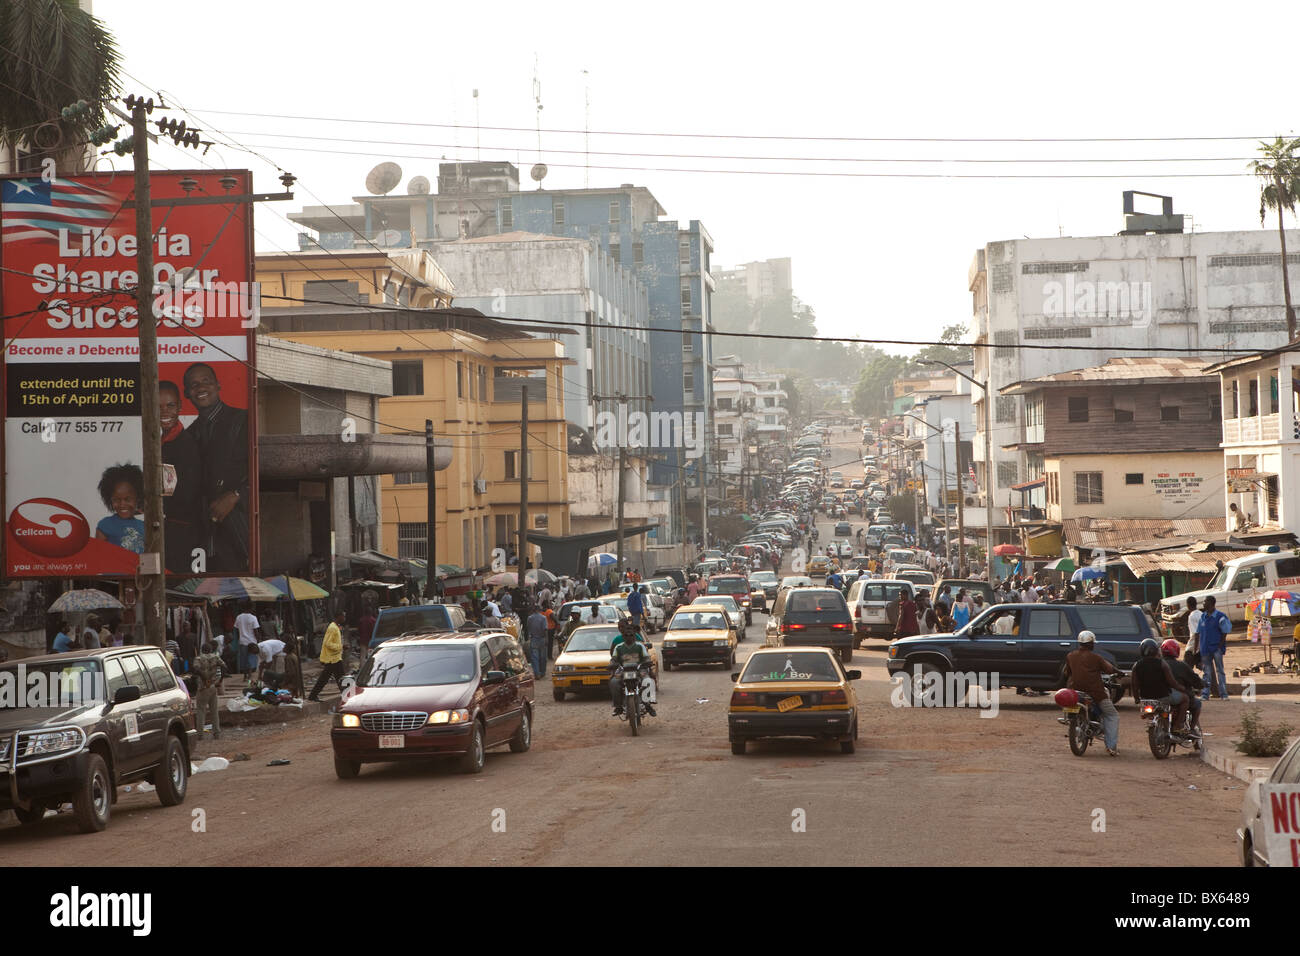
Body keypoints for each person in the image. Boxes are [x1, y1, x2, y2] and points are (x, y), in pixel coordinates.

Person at [183, 362, 250, 571]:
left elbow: (260, 468)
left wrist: (237, 494)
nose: (200, 388)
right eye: (194, 385)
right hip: (203, 538)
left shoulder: (243, 421)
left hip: (241, 532)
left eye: (206, 381)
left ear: (218, 385)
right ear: (187, 393)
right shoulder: (188, 436)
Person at [159, 380, 204, 574]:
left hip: (181, 530)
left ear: (179, 407)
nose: (164, 411)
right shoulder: (158, 441)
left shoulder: (184, 445)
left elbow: (183, 493)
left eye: (170, 405)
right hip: (168, 526)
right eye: (158, 406)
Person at [1064, 630, 1120, 756]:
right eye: (1092, 643)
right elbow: (1109, 669)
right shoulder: (1096, 657)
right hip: (1095, 692)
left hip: (1075, 691)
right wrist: (1119, 672)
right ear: (1090, 644)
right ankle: (1111, 746)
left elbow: (1066, 673)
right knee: (1112, 715)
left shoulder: (1070, 656)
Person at [1130, 637, 1191, 731]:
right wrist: (1182, 688)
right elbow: (1172, 682)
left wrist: (1137, 698)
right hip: (1163, 696)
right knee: (1185, 699)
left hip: (1146, 697)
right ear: (1155, 650)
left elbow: (1134, 685)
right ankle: (1177, 725)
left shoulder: (1136, 665)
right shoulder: (1162, 664)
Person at [94, 463, 146, 553]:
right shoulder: (105, 525)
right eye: (116, 500)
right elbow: (99, 556)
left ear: (138, 498)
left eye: (128, 499)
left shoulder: (144, 526)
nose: (122, 504)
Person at [609, 619, 654, 717]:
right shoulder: (618, 647)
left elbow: (646, 657)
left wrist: (647, 663)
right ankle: (618, 706)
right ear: (623, 636)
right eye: (626, 635)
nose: (629, 637)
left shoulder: (640, 646)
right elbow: (614, 659)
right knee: (613, 682)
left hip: (639, 669)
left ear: (634, 635)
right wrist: (612, 664)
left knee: (648, 680)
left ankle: (648, 704)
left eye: (631, 635)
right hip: (622, 670)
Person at [1162, 639, 1203, 735]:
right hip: (1172, 695)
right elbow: (1194, 679)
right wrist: (1202, 684)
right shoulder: (1181, 666)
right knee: (1196, 703)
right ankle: (1188, 728)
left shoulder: (1158, 664)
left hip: (1159, 695)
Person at [307, 611, 347, 702]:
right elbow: (328, 643)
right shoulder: (333, 628)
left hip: (335, 658)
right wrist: (341, 647)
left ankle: (313, 695)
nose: (344, 618)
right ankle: (347, 696)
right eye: (343, 616)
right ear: (339, 616)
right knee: (337, 678)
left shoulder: (335, 627)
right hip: (332, 659)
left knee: (338, 678)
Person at [1197, 595, 1231, 700]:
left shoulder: (1220, 617)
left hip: (1216, 649)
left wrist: (1219, 646)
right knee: (1207, 672)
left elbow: (1225, 632)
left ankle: (1224, 694)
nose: (1203, 604)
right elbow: (1198, 633)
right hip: (1205, 649)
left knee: (1220, 671)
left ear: (1211, 604)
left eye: (1205, 602)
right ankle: (1205, 694)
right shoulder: (1203, 617)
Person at [192, 641, 224, 740]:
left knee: (201, 710)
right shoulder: (216, 657)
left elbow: (196, 670)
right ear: (211, 650)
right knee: (214, 710)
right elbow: (225, 667)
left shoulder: (198, 658)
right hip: (213, 686)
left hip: (203, 687)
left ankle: (200, 734)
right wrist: (220, 681)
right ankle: (216, 733)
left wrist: (205, 679)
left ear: (202, 650)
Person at [233, 603, 262, 680]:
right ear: (251, 608)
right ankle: (249, 675)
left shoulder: (238, 617)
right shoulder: (253, 618)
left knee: (244, 658)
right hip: (252, 641)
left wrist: (240, 637)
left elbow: (236, 629)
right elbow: (256, 631)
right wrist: (258, 640)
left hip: (243, 641)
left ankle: (245, 675)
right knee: (251, 658)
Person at [525, 608, 549, 677]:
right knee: (543, 657)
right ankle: (542, 672)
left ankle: (537, 673)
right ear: (540, 610)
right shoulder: (543, 618)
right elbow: (545, 629)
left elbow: (528, 628)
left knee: (534, 657)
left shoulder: (530, 618)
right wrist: (547, 639)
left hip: (533, 639)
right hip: (542, 639)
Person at [1183, 596, 1203, 669]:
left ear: (1188, 605)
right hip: (1202, 645)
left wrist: (1194, 651)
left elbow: (1196, 634)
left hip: (1193, 646)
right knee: (1202, 666)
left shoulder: (1191, 616)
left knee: (1186, 667)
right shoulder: (1201, 614)